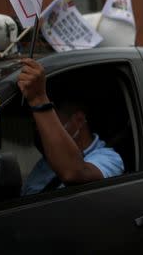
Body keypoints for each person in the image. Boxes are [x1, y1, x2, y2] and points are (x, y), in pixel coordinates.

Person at [18, 59, 124, 195]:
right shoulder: (46, 162)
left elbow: (74, 173)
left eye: (53, 120)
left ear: (79, 120)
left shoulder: (110, 159)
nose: (40, 129)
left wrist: (38, 100)